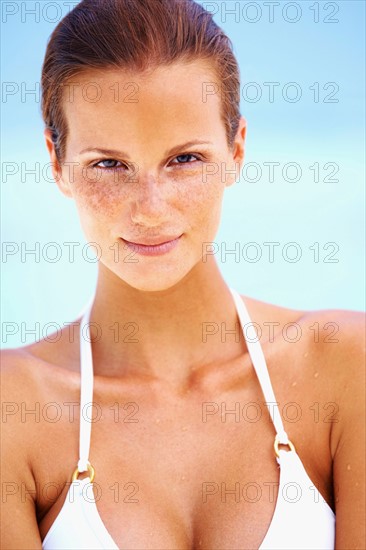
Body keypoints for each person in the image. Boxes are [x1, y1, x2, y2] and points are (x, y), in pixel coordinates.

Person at [1, 0, 364, 548]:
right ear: (57, 162)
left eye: (185, 159)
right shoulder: (15, 409)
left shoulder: (345, 367)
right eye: (109, 164)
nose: (150, 208)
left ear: (236, 149)